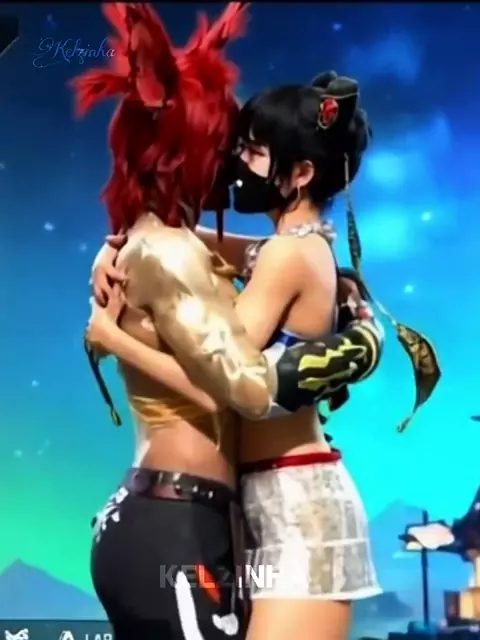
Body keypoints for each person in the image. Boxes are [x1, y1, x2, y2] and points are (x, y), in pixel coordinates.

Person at [77, 4, 438, 640]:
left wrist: (114, 336)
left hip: (299, 508)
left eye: (253, 150)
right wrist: (124, 244)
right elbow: (206, 249)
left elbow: (240, 387)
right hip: (260, 500)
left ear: (300, 173)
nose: (237, 162)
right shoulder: (287, 249)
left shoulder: (292, 255)